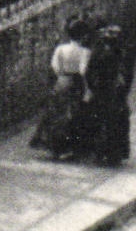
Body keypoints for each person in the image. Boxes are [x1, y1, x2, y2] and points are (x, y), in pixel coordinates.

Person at [30, 17, 92, 160]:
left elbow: (55, 66)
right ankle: (71, 148)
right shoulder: (84, 52)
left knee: (56, 114)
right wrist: (87, 88)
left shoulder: (60, 49)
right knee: (74, 115)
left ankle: (55, 147)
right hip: (76, 83)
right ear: (83, 36)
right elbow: (83, 71)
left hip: (61, 82)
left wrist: (61, 76)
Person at [84, 22, 135, 166]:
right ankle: (114, 154)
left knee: (102, 121)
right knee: (116, 122)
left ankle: (102, 153)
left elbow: (90, 73)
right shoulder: (123, 54)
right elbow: (128, 76)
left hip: (104, 92)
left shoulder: (100, 53)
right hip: (114, 93)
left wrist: (94, 88)